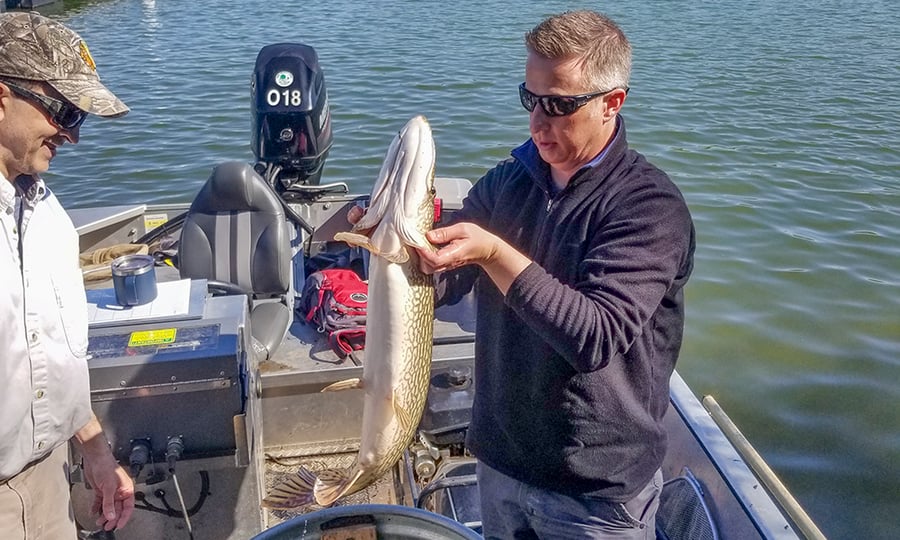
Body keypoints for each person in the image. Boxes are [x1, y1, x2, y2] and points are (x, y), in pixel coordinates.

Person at [413, 10, 694, 539]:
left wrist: (495, 253)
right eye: (531, 98)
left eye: (562, 104)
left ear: (613, 102)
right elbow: (446, 277)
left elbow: (595, 336)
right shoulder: (507, 180)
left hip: (595, 492)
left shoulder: (649, 207)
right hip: (500, 463)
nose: (538, 122)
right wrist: (395, 240)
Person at [0, 11, 135, 538]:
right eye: (63, 111)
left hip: (48, 482)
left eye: (79, 117)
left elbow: (53, 356)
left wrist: (96, 453)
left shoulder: (50, 216)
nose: (72, 136)